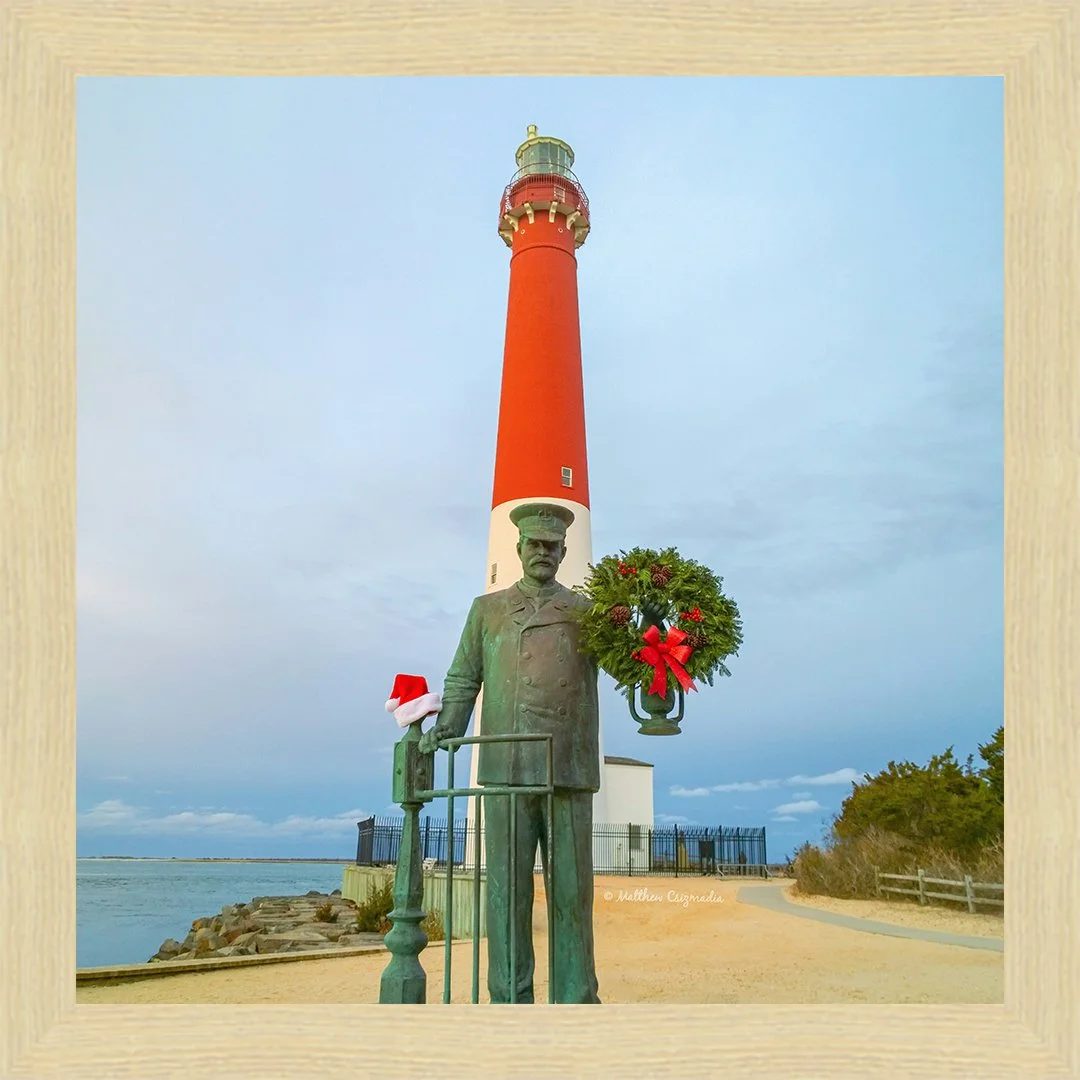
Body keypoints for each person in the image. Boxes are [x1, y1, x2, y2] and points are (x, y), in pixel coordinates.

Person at [418, 502, 601, 1004]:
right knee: (507, 897)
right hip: (507, 764)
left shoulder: (590, 614)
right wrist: (448, 725)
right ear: (519, 549)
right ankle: (508, 1002)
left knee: (572, 897)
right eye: (534, 544)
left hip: (566, 764)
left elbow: (631, 669)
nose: (543, 553)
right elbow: (463, 677)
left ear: (564, 552)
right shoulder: (487, 610)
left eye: (552, 546)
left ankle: (576, 1000)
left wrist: (657, 649)